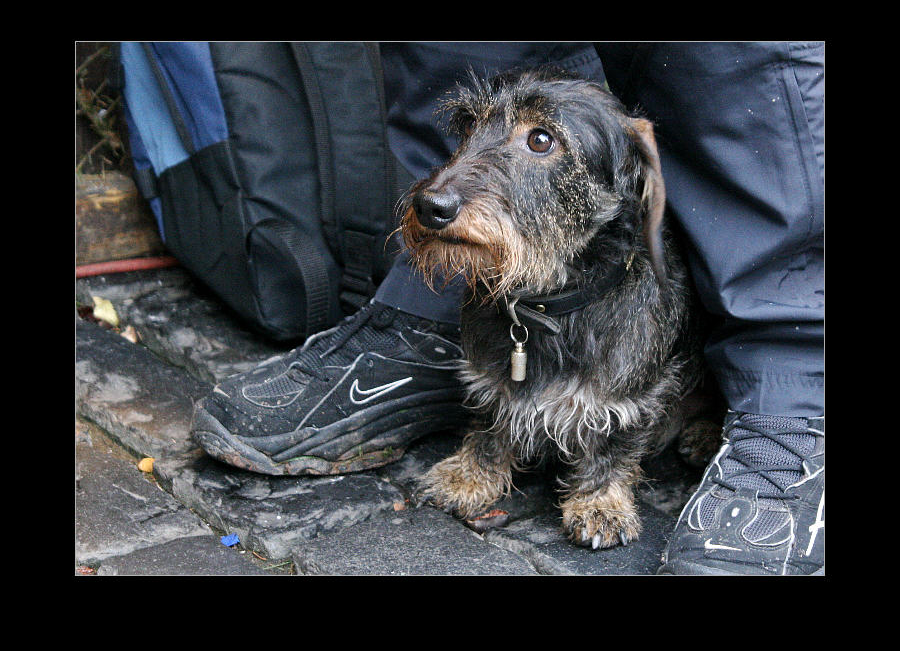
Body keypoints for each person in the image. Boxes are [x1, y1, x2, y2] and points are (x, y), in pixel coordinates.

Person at [196, 42, 824, 575]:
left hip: (643, 299)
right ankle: (432, 348)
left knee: (737, 64)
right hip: (512, 314)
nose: (442, 192)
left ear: (637, 185)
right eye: (470, 132)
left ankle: (787, 392)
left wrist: (602, 478)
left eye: (540, 140)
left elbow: (638, 402)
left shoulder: (643, 254)